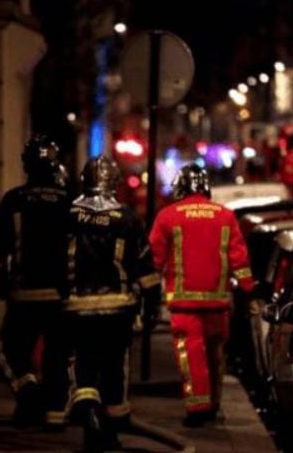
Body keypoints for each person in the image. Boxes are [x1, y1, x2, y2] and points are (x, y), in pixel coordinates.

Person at [65, 156, 161, 452]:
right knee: (113, 369)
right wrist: (152, 305)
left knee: (83, 365)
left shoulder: (68, 214)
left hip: (76, 307)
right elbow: (144, 268)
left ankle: (91, 425)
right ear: (115, 182)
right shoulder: (127, 217)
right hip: (117, 310)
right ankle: (109, 429)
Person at [149, 164, 257, 427]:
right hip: (218, 303)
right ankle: (214, 402)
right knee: (215, 355)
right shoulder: (225, 216)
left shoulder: (167, 216)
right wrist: (248, 290)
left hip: (184, 305)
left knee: (192, 355)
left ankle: (199, 409)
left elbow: (154, 259)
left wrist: (148, 293)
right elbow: (239, 259)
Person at [0, 135, 72, 428]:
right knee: (59, 353)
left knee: (11, 349)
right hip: (60, 293)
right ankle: (54, 414)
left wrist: (0, 282)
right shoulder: (70, 200)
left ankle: (28, 392)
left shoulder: (13, 200)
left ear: (26, 164)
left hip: (24, 292)